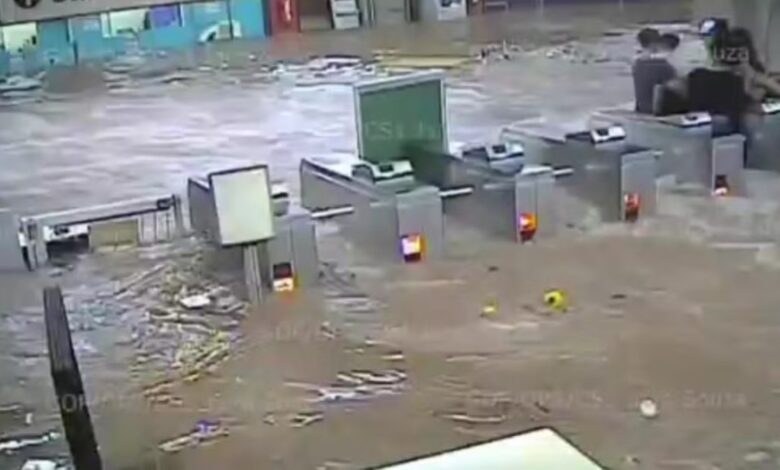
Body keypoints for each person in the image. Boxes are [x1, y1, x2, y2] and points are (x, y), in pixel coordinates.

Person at [633, 28, 676, 114]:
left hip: (641, 110)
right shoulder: (664, 66)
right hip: (657, 113)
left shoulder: (637, 64)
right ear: (657, 43)